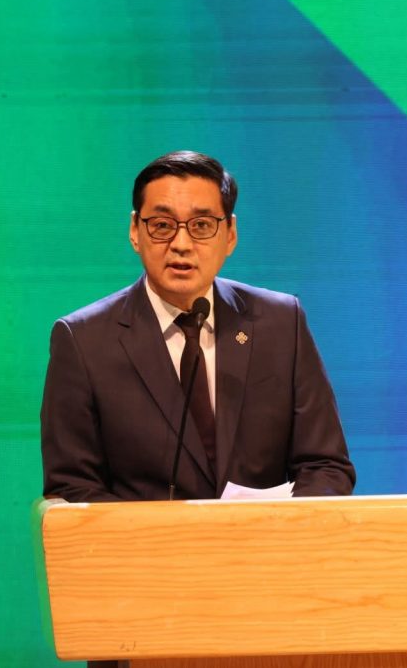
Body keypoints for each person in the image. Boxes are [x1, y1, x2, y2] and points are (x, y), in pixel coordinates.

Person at [40, 150, 355, 501]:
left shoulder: (281, 324)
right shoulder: (83, 341)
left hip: (264, 537)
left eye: (202, 225)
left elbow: (325, 466)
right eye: (162, 225)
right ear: (134, 231)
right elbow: (73, 487)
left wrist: (280, 526)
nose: (181, 245)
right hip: (145, 538)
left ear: (230, 234)